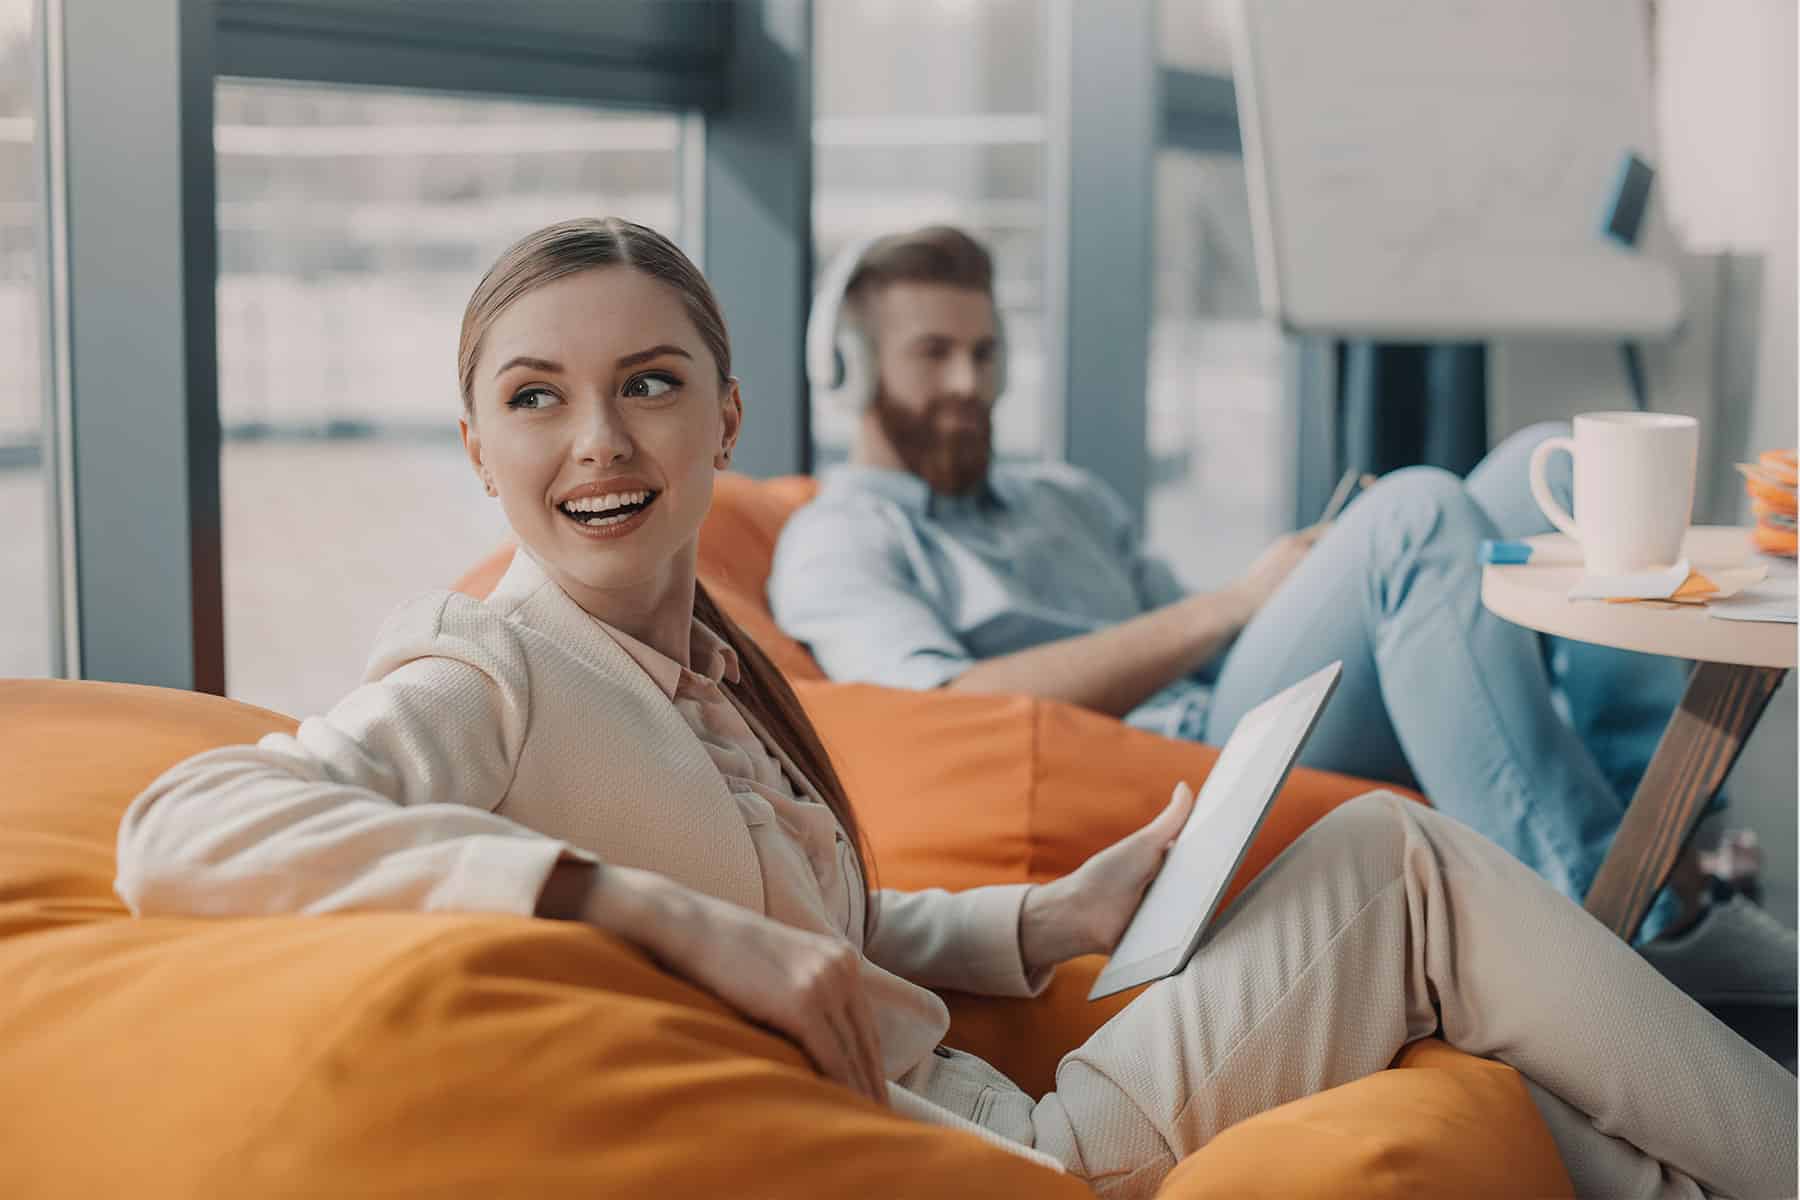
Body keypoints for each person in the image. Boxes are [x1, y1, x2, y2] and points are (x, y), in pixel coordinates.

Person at [116, 218, 1791, 1200]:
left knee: (1422, 890)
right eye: (535, 400)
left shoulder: (697, 660)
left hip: (992, 1097)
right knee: (1414, 877)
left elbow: (805, 912)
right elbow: (181, 826)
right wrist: (642, 922)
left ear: (724, 418)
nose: (598, 443)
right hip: (1003, 1155)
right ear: (478, 450)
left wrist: (1035, 918)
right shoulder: (489, 664)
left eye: (648, 386)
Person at [768, 225, 1794, 1004]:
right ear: (852, 371)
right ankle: (1618, 930)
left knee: (1540, 466)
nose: (970, 383)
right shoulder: (841, 535)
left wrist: (1286, 588)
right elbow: (940, 706)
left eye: (986, 353)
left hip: (1226, 700)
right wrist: (1242, 600)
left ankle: (1667, 854)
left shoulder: (1061, 497)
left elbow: (1200, 635)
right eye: (934, 354)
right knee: (1415, 514)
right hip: (1167, 773)